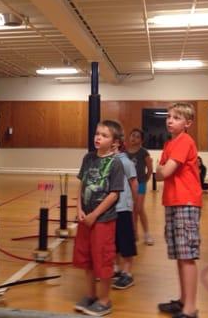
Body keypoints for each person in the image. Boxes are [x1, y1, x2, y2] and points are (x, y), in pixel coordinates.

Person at [73, 120, 125, 316]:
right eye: (97, 133)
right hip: (85, 219)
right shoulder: (88, 158)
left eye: (104, 135)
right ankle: (91, 295)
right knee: (87, 259)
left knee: (102, 260)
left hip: (103, 221)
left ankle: (104, 300)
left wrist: (95, 215)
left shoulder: (116, 163)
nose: (98, 137)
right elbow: (81, 184)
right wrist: (79, 209)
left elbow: (114, 194)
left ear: (114, 142)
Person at [156, 102, 201, 318]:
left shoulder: (185, 141)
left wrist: (162, 169)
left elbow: (164, 172)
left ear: (188, 123)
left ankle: (190, 308)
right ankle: (183, 301)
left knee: (187, 255)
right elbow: (159, 172)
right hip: (172, 201)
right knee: (179, 254)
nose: (170, 120)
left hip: (186, 202)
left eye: (176, 117)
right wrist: (161, 170)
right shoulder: (169, 143)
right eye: (169, 116)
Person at [112, 133, 138, 290]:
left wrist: (133, 206)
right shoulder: (106, 161)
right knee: (113, 241)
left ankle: (127, 273)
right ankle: (115, 268)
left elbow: (134, 184)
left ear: (116, 143)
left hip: (123, 208)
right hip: (110, 209)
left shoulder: (126, 162)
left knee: (126, 241)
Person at [126, 128, 154, 245]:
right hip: (128, 185)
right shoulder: (124, 152)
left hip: (141, 184)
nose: (134, 138)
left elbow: (150, 169)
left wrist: (144, 181)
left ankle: (147, 234)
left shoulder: (144, 152)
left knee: (139, 208)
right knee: (132, 209)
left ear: (141, 140)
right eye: (133, 135)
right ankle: (134, 233)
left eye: (137, 136)